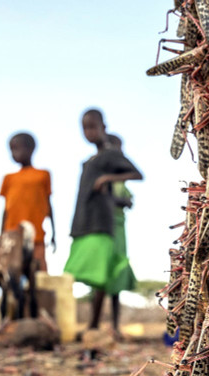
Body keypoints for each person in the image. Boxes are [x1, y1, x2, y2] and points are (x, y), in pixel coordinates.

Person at [63, 109, 142, 337]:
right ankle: (94, 325)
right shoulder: (91, 160)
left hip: (103, 222)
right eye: (84, 128)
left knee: (100, 275)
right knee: (88, 273)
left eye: (92, 127)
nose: (88, 132)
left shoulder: (109, 154)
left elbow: (137, 174)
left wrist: (108, 178)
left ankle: (95, 326)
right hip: (85, 221)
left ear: (103, 127)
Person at [0, 132, 56, 272]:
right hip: (12, 234)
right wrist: (1, 235)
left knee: (38, 270)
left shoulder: (43, 175)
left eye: (17, 148)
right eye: (11, 150)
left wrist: (54, 232)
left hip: (36, 234)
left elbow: (49, 205)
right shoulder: (8, 178)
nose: (13, 153)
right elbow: (6, 209)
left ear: (30, 149)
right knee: (11, 271)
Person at [105, 134, 138, 324]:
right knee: (102, 275)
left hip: (119, 229)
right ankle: (97, 324)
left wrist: (123, 201)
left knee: (118, 272)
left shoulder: (120, 181)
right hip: (105, 229)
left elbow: (129, 200)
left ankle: (114, 325)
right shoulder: (101, 176)